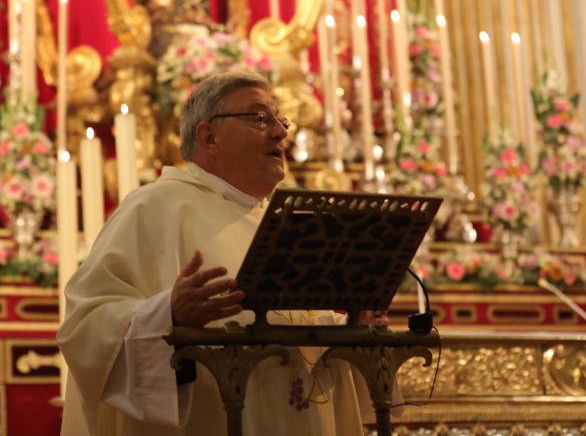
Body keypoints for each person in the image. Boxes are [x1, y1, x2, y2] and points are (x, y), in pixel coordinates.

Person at [57, 72, 376, 436]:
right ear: (209, 136)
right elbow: (84, 326)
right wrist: (168, 313)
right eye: (259, 118)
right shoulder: (156, 207)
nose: (279, 132)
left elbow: (293, 330)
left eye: (279, 119)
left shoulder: (281, 224)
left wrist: (350, 328)